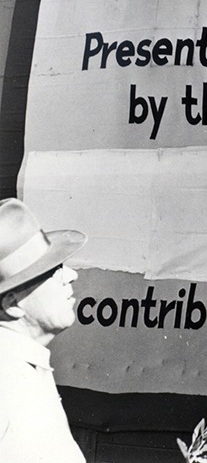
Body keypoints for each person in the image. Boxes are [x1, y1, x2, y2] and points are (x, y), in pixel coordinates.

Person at [0, 198, 88, 463]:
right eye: (52, 270)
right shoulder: (16, 390)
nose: (71, 275)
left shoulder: (22, 367)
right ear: (13, 304)